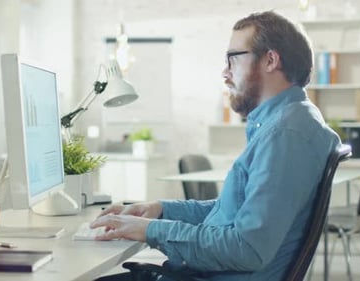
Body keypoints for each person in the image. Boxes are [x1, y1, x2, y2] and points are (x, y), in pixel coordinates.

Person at [91, 11, 340, 281]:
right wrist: (162, 210)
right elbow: (231, 212)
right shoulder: (289, 122)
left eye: (232, 58)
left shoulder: (285, 134)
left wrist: (152, 230)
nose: (225, 72)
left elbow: (246, 248)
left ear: (270, 60)